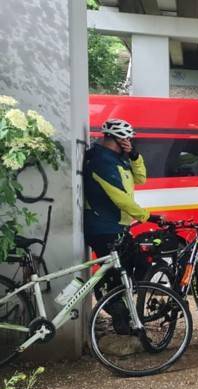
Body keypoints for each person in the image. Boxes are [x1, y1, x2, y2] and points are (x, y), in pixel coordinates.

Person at [83, 118, 152, 334]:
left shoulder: (119, 159)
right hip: (103, 228)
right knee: (113, 277)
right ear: (114, 138)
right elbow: (120, 198)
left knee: (136, 264)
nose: (129, 141)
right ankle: (120, 321)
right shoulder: (101, 161)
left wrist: (134, 156)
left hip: (118, 226)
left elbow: (140, 179)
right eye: (126, 138)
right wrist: (147, 216)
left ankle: (126, 312)